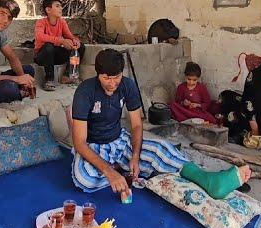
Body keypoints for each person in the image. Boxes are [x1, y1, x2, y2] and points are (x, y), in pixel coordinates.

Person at [70, 49, 251, 202]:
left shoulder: (127, 85)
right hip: (93, 146)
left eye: (115, 77)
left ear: (121, 73)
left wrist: (134, 156)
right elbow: (79, 142)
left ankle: (207, 179)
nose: (111, 83)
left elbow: (136, 126)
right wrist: (109, 172)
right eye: (106, 78)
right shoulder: (85, 92)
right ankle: (122, 172)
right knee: (84, 178)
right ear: (98, 74)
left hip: (119, 140)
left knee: (162, 148)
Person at [33, 0, 86, 91]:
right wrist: (61, 41)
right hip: (42, 56)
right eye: (57, 6)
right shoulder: (41, 22)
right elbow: (40, 36)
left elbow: (69, 35)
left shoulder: (61, 21)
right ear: (48, 10)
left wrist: (75, 41)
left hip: (56, 56)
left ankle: (68, 75)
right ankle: (49, 80)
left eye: (61, 6)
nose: (61, 8)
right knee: (48, 46)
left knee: (80, 47)